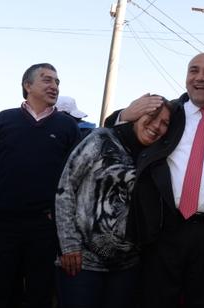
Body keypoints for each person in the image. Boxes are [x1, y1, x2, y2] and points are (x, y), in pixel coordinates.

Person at [106, 53, 204, 307]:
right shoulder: (168, 113)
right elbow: (117, 129)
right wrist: (125, 113)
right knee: (156, 299)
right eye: (194, 70)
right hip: (165, 228)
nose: (200, 77)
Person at [0, 63, 80, 308]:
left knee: (39, 295)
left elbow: (74, 180)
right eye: (47, 80)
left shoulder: (67, 127)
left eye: (57, 82)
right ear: (27, 86)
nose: (54, 86)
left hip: (44, 228)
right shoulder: (6, 120)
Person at [55, 96, 171, 308]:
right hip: (82, 262)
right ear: (136, 114)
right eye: (152, 116)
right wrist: (68, 245)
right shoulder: (101, 139)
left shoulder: (154, 157)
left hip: (127, 268)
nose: (157, 126)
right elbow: (65, 189)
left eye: (165, 123)